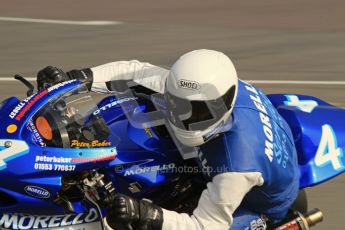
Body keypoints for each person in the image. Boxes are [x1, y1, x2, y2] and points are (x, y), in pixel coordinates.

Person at [37, 49, 299, 230]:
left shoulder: (236, 166)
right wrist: (76, 79)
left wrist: (147, 214)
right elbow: (135, 73)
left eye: (197, 113)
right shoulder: (199, 87)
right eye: (178, 105)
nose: (184, 118)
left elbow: (206, 225)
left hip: (256, 200)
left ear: (224, 103)